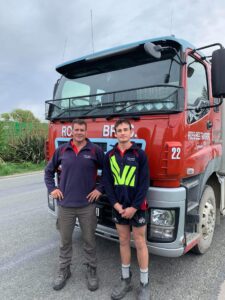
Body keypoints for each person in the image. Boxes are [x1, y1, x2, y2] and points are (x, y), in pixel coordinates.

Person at [44, 119, 104, 292]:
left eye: (82, 130)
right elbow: (48, 171)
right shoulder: (62, 150)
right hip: (65, 206)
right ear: (71, 131)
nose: (79, 132)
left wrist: (100, 189)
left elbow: (107, 172)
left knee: (89, 240)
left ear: (86, 132)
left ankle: (92, 271)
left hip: (87, 206)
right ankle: (64, 270)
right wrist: (52, 189)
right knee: (65, 241)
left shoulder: (95, 150)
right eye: (76, 129)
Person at [103, 118, 150, 300]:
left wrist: (134, 207)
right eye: (119, 130)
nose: (122, 133)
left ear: (132, 132)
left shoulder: (140, 154)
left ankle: (145, 284)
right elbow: (107, 182)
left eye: (125, 129)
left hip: (137, 207)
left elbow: (144, 183)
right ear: (115, 133)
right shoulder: (110, 156)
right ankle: (125, 280)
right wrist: (115, 204)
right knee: (123, 241)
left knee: (140, 242)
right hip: (118, 207)